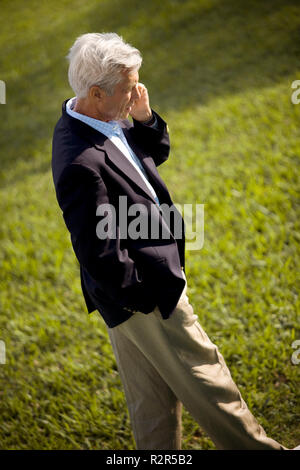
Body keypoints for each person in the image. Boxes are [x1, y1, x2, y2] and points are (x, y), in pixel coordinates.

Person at [52, 32, 291, 450]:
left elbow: (152, 155)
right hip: (144, 292)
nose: (137, 93)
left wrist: (143, 117)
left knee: (151, 405)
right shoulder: (79, 161)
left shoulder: (102, 115)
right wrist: (148, 294)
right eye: (130, 90)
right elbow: (96, 249)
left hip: (123, 300)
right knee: (208, 377)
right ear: (95, 92)